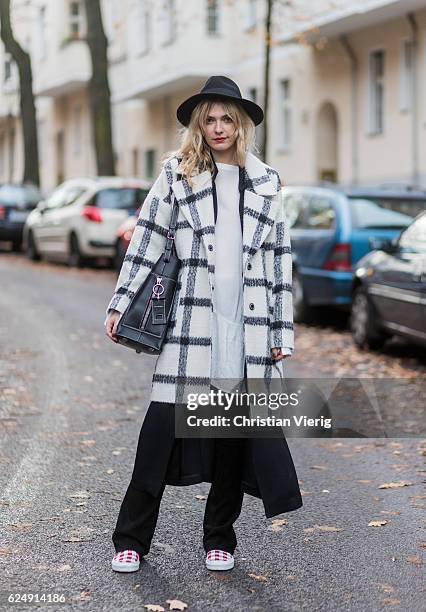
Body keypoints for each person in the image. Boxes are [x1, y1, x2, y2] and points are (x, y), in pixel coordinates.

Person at [104, 76, 303, 573]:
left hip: (249, 327)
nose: (218, 128)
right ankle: (130, 539)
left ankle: (220, 538)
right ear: (199, 124)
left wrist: (282, 334)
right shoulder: (178, 172)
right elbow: (147, 239)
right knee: (159, 435)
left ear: (241, 125)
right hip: (192, 322)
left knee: (232, 442)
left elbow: (280, 261)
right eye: (209, 119)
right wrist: (120, 302)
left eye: (226, 119)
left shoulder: (266, 181)